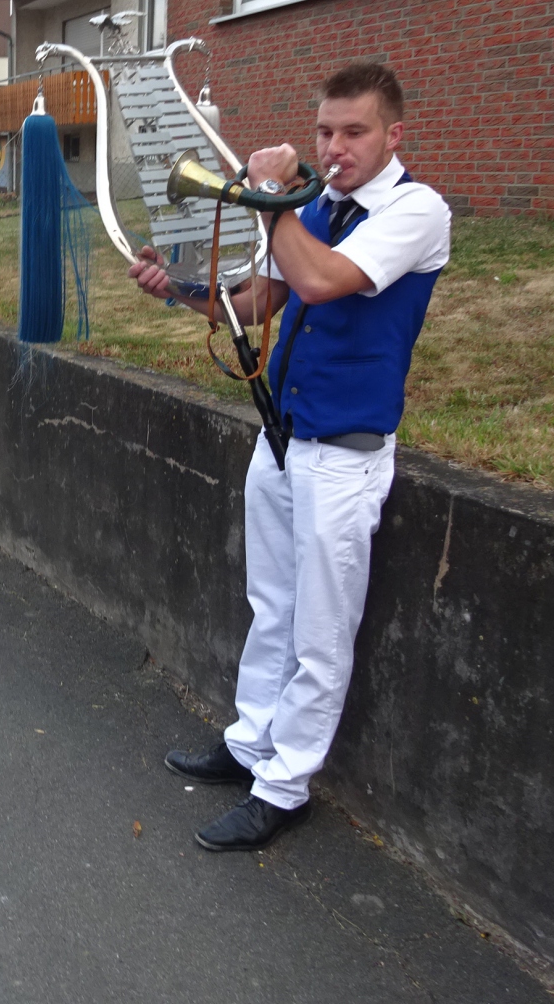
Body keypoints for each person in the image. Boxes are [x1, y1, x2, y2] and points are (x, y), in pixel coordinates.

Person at [129, 62, 450, 852]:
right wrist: (173, 289)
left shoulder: (415, 210)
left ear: (394, 135)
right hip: (284, 438)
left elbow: (323, 278)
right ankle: (251, 745)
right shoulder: (313, 210)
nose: (334, 147)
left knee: (320, 630)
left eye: (354, 132)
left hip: (345, 454)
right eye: (324, 132)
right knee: (271, 604)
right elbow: (255, 302)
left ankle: (285, 786)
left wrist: (272, 198)